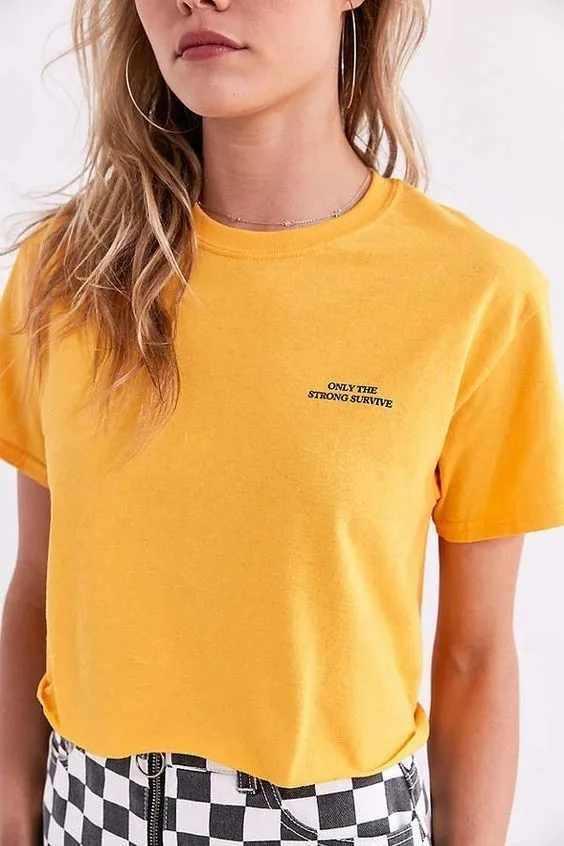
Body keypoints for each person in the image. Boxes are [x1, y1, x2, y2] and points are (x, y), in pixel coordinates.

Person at [0, 1, 563, 845]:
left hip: (336, 824)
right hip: (88, 814)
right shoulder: (66, 274)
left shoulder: (477, 295)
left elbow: (476, 655)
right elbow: (37, 583)